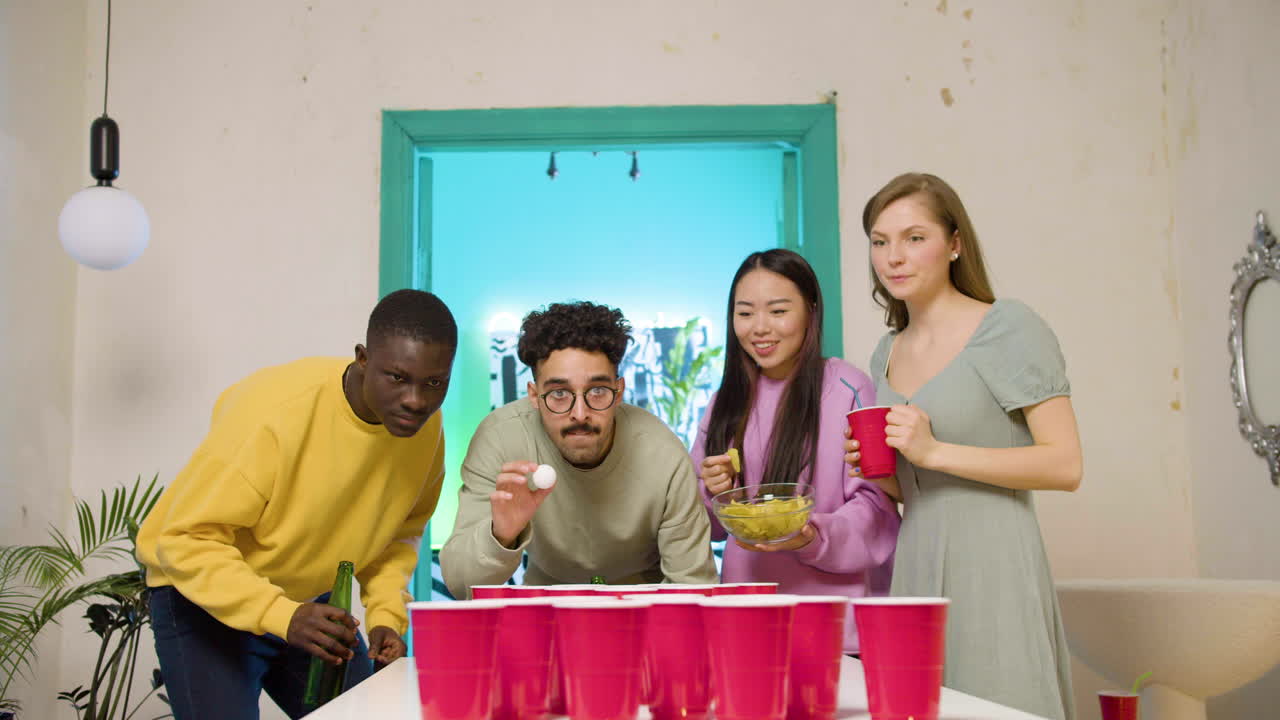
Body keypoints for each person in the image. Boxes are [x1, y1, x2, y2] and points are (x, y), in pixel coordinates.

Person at [136, 289, 457, 719]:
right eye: (397, 377)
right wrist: (279, 613)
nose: (416, 400)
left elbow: (400, 531)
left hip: (308, 602)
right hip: (206, 598)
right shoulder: (274, 413)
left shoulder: (425, 428)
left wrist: (385, 614)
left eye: (434, 383)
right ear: (363, 358)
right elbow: (183, 539)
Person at [849, 173, 1082, 720]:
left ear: (954, 244)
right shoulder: (887, 350)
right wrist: (879, 470)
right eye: (879, 242)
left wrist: (932, 452)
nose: (893, 257)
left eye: (914, 237)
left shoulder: (1006, 326)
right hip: (917, 562)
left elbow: (1065, 464)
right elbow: (916, 488)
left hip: (995, 557)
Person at [692, 249, 900, 655]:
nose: (760, 328)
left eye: (778, 310)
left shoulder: (848, 388)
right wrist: (712, 493)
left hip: (837, 629)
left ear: (811, 310)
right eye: (745, 313)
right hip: (748, 621)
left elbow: (878, 508)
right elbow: (707, 528)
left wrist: (810, 536)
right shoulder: (723, 403)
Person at [441, 301, 717, 595]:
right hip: (546, 613)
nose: (580, 413)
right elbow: (460, 585)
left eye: (597, 391)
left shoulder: (664, 455)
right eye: (559, 393)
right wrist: (501, 534)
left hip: (644, 614)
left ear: (619, 391)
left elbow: (694, 587)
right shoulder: (499, 440)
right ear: (534, 395)